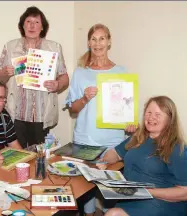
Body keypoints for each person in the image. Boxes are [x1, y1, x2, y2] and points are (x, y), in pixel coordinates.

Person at [65, 23, 136, 216]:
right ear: (89, 43)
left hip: (113, 144)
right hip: (85, 142)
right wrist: (85, 98)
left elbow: (127, 108)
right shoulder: (80, 72)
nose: (98, 43)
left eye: (102, 38)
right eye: (94, 39)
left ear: (109, 41)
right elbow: (73, 108)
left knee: (110, 199)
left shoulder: (121, 71)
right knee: (85, 197)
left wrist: (130, 125)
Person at [98, 96, 187, 216]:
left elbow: (186, 193)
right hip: (132, 198)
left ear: (170, 119)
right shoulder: (138, 138)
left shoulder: (178, 149)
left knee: (113, 214)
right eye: (148, 112)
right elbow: (115, 154)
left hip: (162, 203)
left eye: (158, 114)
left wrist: (148, 192)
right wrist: (105, 161)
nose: (151, 117)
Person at [0, 6, 69, 149]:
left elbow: (64, 77)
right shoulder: (10, 47)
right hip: (15, 114)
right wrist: (4, 72)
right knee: (17, 157)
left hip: (42, 114)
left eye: (36, 22)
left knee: (40, 155)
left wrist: (57, 85)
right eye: (28, 21)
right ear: (22, 25)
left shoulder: (54, 48)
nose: (32, 26)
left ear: (42, 27)